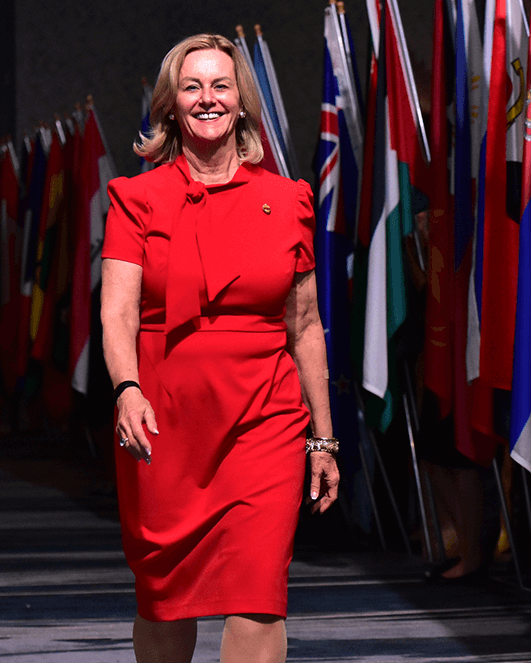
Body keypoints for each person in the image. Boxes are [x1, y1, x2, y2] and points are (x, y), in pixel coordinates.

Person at [100, 34, 339, 663]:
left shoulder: (289, 201)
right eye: (192, 86)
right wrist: (126, 389)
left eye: (221, 85)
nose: (207, 98)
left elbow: (306, 326)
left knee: (259, 589)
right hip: (164, 421)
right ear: (171, 105)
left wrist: (323, 436)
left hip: (265, 420)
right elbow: (118, 311)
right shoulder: (134, 198)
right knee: (163, 594)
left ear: (241, 103)